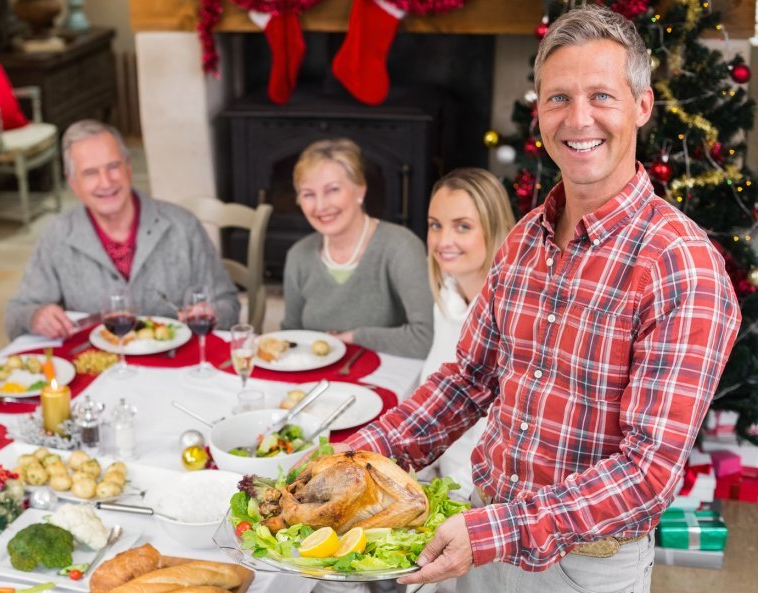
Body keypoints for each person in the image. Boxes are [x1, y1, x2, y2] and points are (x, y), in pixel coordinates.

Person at [336, 6, 740, 591]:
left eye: (601, 96)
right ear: (539, 110)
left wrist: (498, 530)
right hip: (478, 527)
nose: (578, 119)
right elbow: (469, 380)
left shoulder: (682, 265)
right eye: (558, 98)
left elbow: (647, 471)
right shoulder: (526, 238)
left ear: (642, 106)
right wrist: (356, 452)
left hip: (583, 566)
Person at [5, 120, 240, 340]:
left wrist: (213, 313)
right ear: (73, 183)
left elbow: (228, 303)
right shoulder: (58, 236)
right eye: (90, 173)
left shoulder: (183, 226)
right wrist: (35, 317)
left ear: (128, 168)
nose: (106, 182)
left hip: (176, 369)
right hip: (98, 372)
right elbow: (16, 314)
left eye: (113, 166)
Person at [281, 138, 433, 358]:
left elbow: (427, 338)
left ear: (360, 190)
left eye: (333, 190)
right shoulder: (298, 255)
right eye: (308, 194)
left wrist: (352, 338)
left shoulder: (401, 247)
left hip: (391, 381)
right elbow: (291, 336)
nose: (321, 206)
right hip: (319, 384)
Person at [417, 168, 515, 502]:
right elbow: (430, 385)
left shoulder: (510, 315)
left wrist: (438, 499)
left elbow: (500, 440)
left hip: (477, 496)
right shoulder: (447, 293)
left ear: (494, 229)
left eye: (463, 227)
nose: (443, 241)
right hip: (438, 478)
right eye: (435, 225)